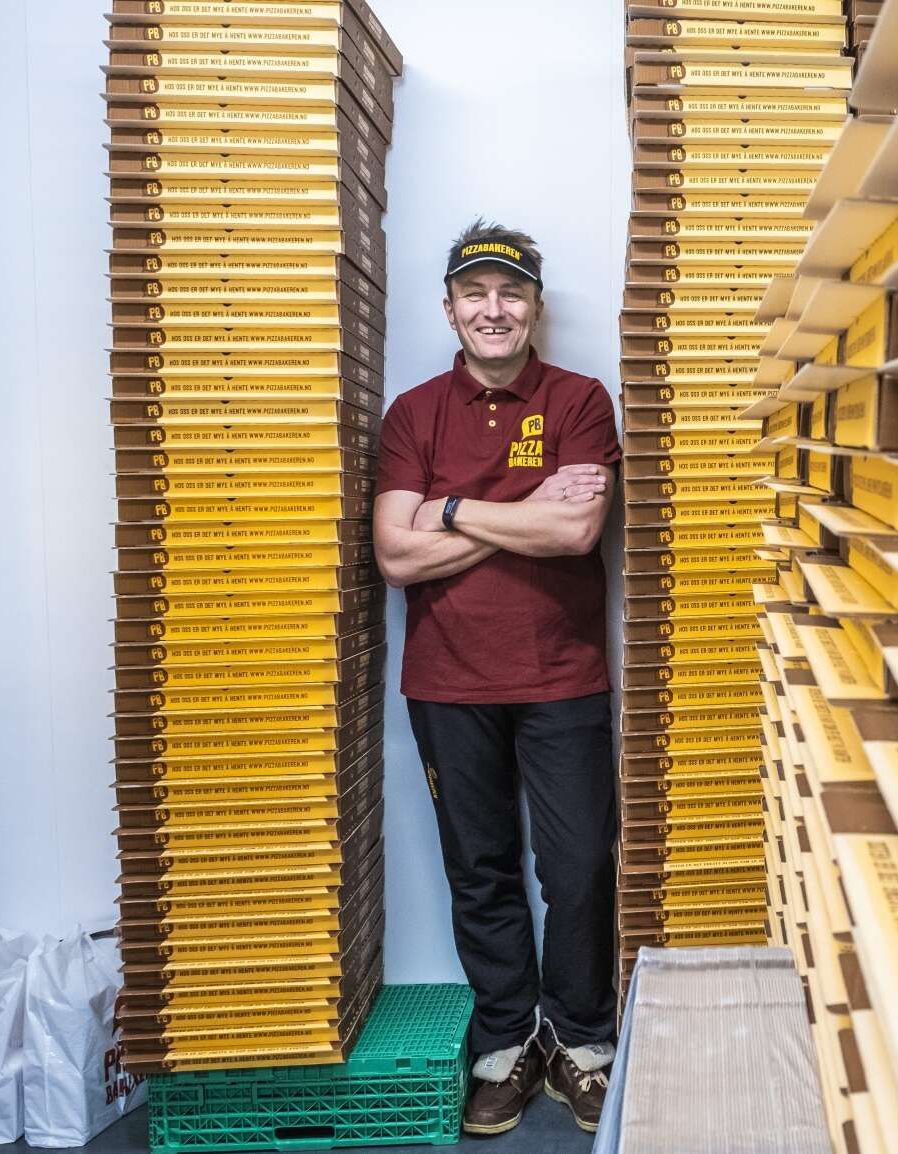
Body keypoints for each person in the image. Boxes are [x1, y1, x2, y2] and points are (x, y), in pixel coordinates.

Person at [373, 219, 620, 1136]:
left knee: (579, 866)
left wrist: (445, 511)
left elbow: (575, 532)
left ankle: (582, 1043)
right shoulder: (413, 414)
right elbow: (394, 556)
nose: (493, 309)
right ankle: (506, 1045)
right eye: (474, 294)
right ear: (449, 309)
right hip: (447, 680)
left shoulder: (579, 400)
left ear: (534, 309)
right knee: (479, 870)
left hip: (563, 675)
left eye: (510, 293)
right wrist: (513, 507)